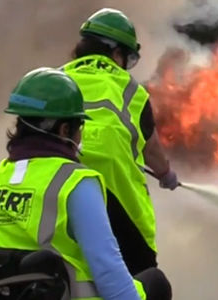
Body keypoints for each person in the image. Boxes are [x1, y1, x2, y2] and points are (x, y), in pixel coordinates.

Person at [0, 67, 171, 300]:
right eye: (79, 127)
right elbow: (110, 275)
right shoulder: (75, 183)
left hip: (15, 294)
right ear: (64, 130)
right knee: (155, 281)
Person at [61, 8, 179, 275]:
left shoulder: (57, 80)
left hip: (58, 196)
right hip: (118, 204)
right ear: (116, 53)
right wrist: (166, 174)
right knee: (143, 278)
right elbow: (152, 151)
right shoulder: (131, 91)